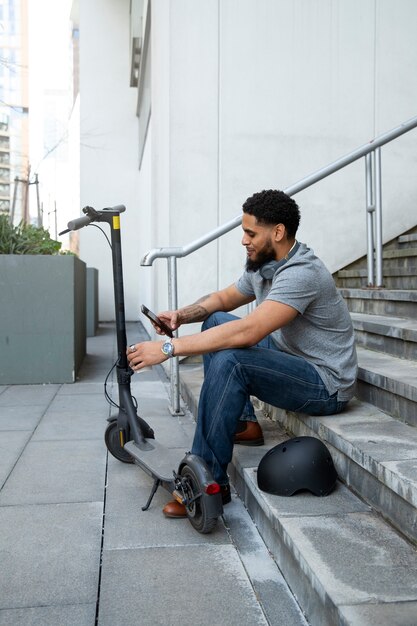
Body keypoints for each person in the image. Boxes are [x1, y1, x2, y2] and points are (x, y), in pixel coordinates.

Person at [127, 189, 357, 518]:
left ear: (277, 232)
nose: (244, 240)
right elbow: (224, 299)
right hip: (291, 356)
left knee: (232, 359)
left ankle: (209, 485)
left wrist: (168, 347)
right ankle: (244, 424)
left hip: (326, 382)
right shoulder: (263, 264)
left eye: (250, 233)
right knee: (215, 320)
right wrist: (180, 315)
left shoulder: (302, 273)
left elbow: (248, 331)